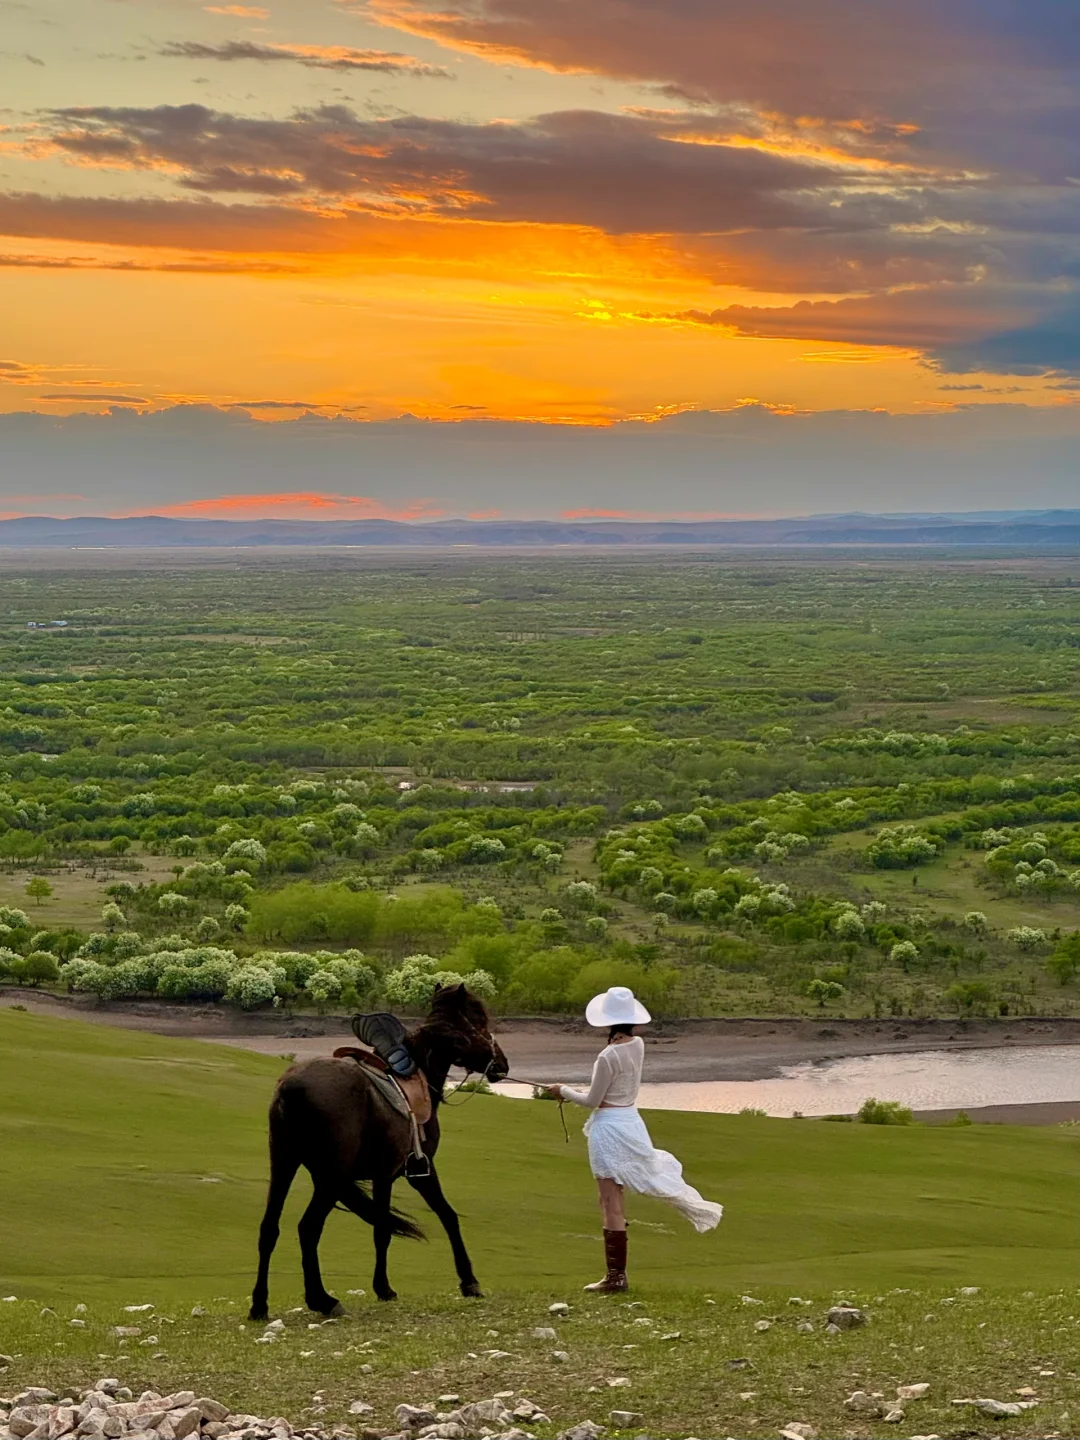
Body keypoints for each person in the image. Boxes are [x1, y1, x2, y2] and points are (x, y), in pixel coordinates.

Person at [542, 985, 722, 1293]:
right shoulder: (637, 1045)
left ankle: (616, 1277)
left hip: (609, 1129)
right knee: (612, 1198)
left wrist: (562, 1091)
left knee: (610, 1202)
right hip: (631, 1122)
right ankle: (615, 1275)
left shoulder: (608, 1056)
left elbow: (592, 1101)